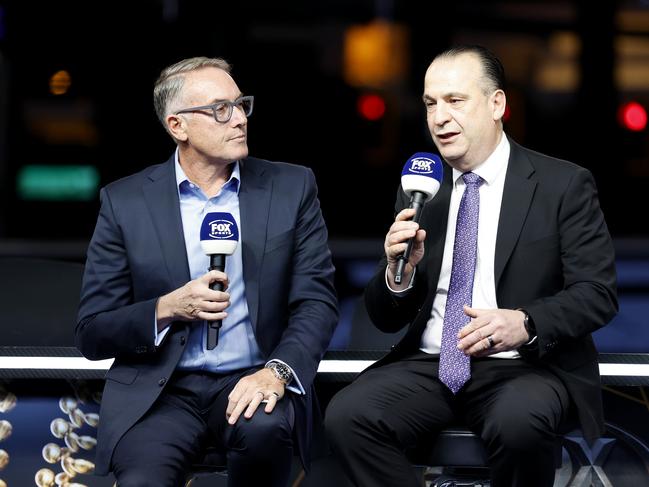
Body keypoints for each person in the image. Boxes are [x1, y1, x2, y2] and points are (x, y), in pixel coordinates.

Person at [325, 45, 618, 487]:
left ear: (496, 104)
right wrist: (396, 274)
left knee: (520, 423)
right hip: (430, 363)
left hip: (523, 367)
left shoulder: (563, 184)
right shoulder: (420, 190)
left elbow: (597, 293)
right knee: (348, 416)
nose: (439, 118)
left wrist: (524, 322)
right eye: (430, 104)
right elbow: (386, 317)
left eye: (455, 101)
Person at [76, 56, 338, 487]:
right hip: (161, 393)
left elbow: (317, 302)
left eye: (241, 105)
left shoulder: (291, 188)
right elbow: (92, 329)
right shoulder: (125, 203)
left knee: (265, 431)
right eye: (221, 109)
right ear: (177, 126)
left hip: (251, 378)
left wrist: (276, 372)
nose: (238, 119)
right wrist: (166, 308)